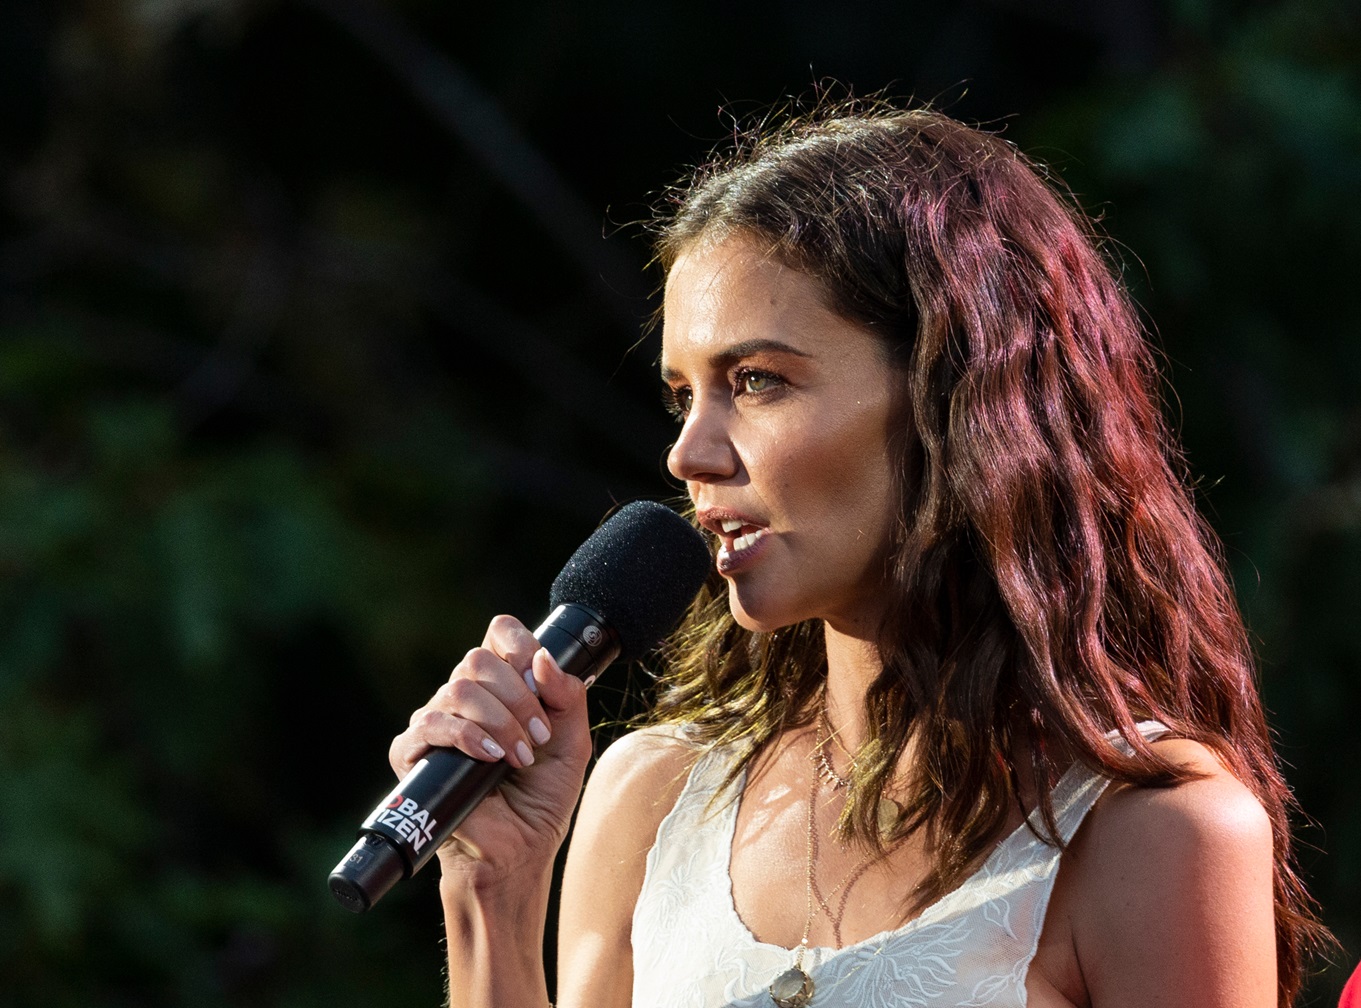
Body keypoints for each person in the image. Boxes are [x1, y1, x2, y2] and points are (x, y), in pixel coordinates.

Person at [389, 102, 1326, 1008]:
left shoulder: (1149, 832)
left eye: (756, 382)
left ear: (951, 398)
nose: (688, 453)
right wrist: (492, 898)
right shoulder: (650, 801)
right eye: (683, 394)